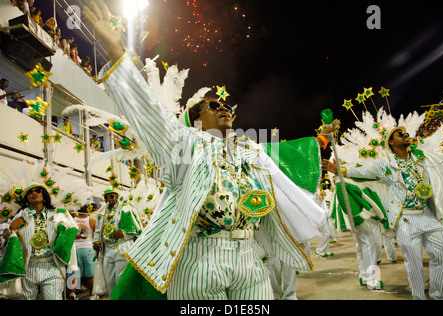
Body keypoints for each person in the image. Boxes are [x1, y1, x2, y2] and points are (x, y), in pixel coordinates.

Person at [84, 1, 338, 300]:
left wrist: (320, 140)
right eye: (213, 106)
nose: (224, 108)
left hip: (249, 257)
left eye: (226, 105)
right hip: (200, 258)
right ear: (195, 120)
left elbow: (288, 156)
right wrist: (116, 51)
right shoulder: (184, 143)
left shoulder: (250, 151)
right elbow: (150, 110)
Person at [323, 126, 443, 299]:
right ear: (391, 142)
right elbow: (363, 172)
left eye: (406, 133)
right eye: (399, 134)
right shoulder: (385, 164)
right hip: (405, 218)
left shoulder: (423, 158)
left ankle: (440, 295)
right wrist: (339, 170)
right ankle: (419, 296)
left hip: (427, 213)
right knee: (414, 263)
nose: (405, 134)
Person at [0, 183, 79, 300]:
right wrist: (11, 229)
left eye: (38, 190)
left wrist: (64, 230)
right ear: (26, 198)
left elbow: (73, 231)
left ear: (45, 194)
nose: (33, 193)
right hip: (28, 267)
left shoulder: (58, 214)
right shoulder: (20, 216)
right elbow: (7, 243)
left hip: (52, 266)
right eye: (29, 193)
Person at [92, 189, 142, 297]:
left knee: (120, 280)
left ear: (116, 197)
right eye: (106, 197)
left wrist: (123, 234)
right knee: (109, 281)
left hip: (122, 248)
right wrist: (96, 242)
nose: (109, 199)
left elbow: (136, 230)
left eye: (111, 196)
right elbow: (97, 230)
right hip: (107, 250)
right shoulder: (101, 212)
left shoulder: (125, 208)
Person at [71, 204, 97, 300]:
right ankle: (92, 295)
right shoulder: (92, 221)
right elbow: (96, 235)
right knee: (90, 275)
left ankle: (72, 294)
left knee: (74, 272)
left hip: (75, 249)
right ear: (88, 210)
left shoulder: (72, 220)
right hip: (88, 249)